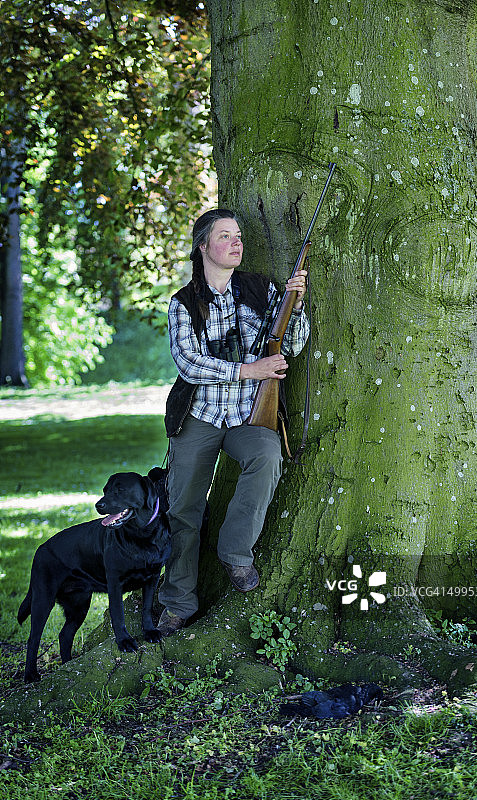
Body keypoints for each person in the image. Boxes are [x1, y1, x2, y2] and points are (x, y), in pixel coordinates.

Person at [157, 208, 310, 635]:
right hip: (200, 415)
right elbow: (189, 363)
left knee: (266, 455)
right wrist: (248, 370)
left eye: (238, 235)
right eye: (225, 236)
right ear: (203, 247)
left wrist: (294, 305)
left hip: (247, 415)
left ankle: (235, 551)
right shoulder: (184, 303)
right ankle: (178, 601)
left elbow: (293, 346)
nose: (236, 242)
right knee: (183, 508)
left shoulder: (262, 290)